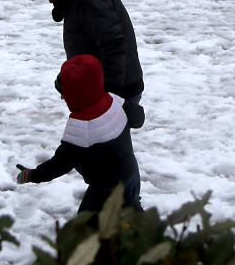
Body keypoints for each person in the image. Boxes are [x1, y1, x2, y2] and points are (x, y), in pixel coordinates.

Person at [13, 54, 143, 213]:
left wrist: (32, 175)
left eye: (64, 92)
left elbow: (60, 164)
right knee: (131, 211)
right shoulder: (112, 99)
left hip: (105, 188)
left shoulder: (81, 124)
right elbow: (138, 118)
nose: (62, 97)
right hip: (129, 174)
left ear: (76, 93)